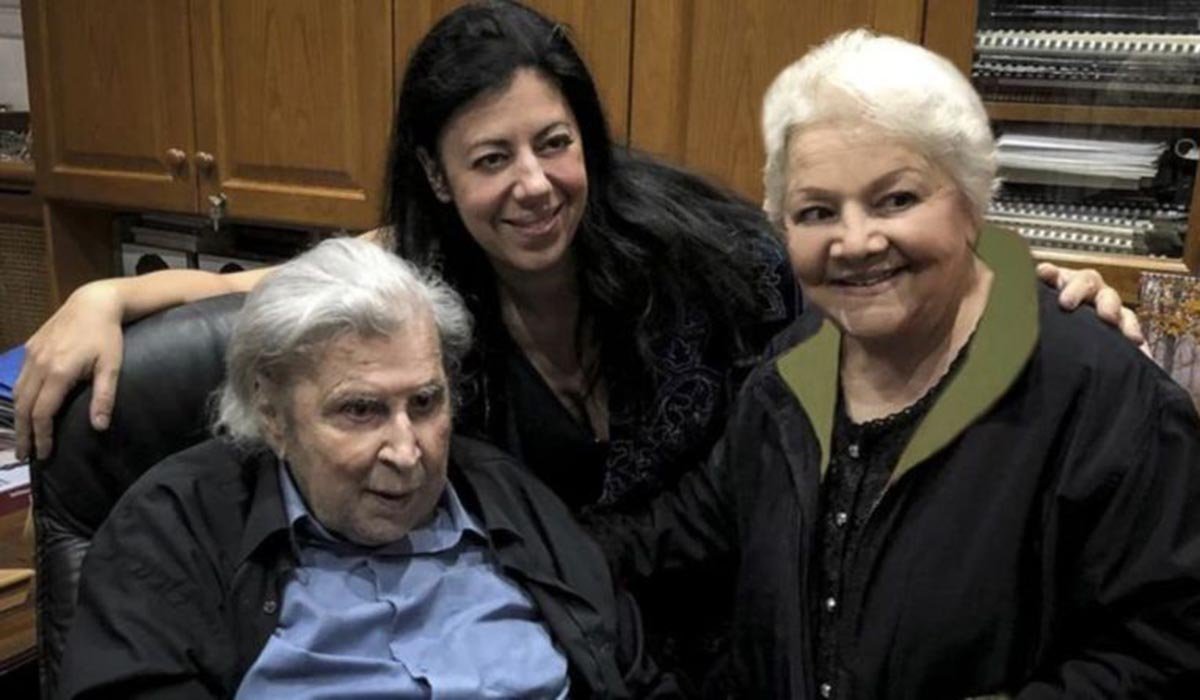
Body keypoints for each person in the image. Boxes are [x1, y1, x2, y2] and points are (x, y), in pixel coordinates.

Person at [17, 0, 1141, 690]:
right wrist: (118, 295)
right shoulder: (417, 286)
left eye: (554, 142)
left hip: (741, 635)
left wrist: (1011, 286)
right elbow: (286, 296)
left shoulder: (708, 250)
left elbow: (866, 266)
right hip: (578, 608)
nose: (534, 183)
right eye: (489, 158)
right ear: (436, 178)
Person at [589, 29, 1200, 698]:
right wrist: (510, 540)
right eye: (817, 211)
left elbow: (1165, 652)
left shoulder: (1103, 397)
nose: (855, 242)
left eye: (897, 200)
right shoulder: (789, 375)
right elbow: (676, 536)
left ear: (970, 200)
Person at [58, 237, 672, 698]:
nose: (407, 451)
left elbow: (636, 674)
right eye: (360, 410)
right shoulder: (175, 526)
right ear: (272, 412)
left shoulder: (505, 494)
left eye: (425, 403)